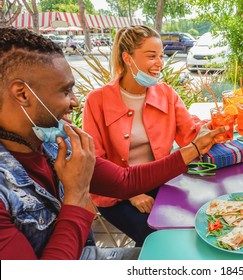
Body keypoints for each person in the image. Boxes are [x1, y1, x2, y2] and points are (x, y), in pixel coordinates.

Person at [0, 27, 227, 260]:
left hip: (87, 252)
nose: (75, 102)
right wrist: (77, 194)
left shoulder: (54, 145)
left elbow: (124, 180)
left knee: (174, 252)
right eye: (65, 91)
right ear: (23, 94)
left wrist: (196, 147)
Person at [82, 25, 203, 246]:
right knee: (154, 236)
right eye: (151, 56)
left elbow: (190, 135)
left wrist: (215, 125)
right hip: (115, 193)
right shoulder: (96, 100)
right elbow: (93, 161)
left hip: (160, 181)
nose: (160, 63)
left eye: (160, 56)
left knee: (195, 219)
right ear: (128, 58)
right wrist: (131, 193)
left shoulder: (167, 94)